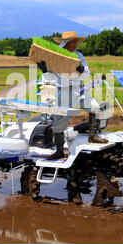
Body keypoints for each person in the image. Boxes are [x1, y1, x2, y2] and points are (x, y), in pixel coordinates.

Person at [37, 31, 108, 160]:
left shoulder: (79, 56)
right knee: (59, 123)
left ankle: (93, 136)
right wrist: (44, 69)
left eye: (76, 42)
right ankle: (59, 150)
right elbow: (49, 77)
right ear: (66, 43)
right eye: (73, 42)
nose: (75, 45)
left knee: (95, 108)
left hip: (77, 90)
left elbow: (86, 73)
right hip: (62, 92)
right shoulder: (55, 56)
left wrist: (81, 71)